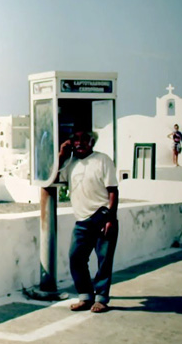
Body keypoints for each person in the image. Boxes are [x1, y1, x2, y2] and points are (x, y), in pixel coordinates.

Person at [59, 129, 119, 313]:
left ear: (91, 142)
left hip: (102, 215)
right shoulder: (70, 164)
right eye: (75, 139)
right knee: (76, 257)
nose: (79, 143)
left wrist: (111, 218)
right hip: (82, 220)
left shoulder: (102, 160)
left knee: (104, 260)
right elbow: (54, 178)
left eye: (84, 139)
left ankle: (101, 299)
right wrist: (62, 153)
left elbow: (113, 190)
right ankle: (85, 296)